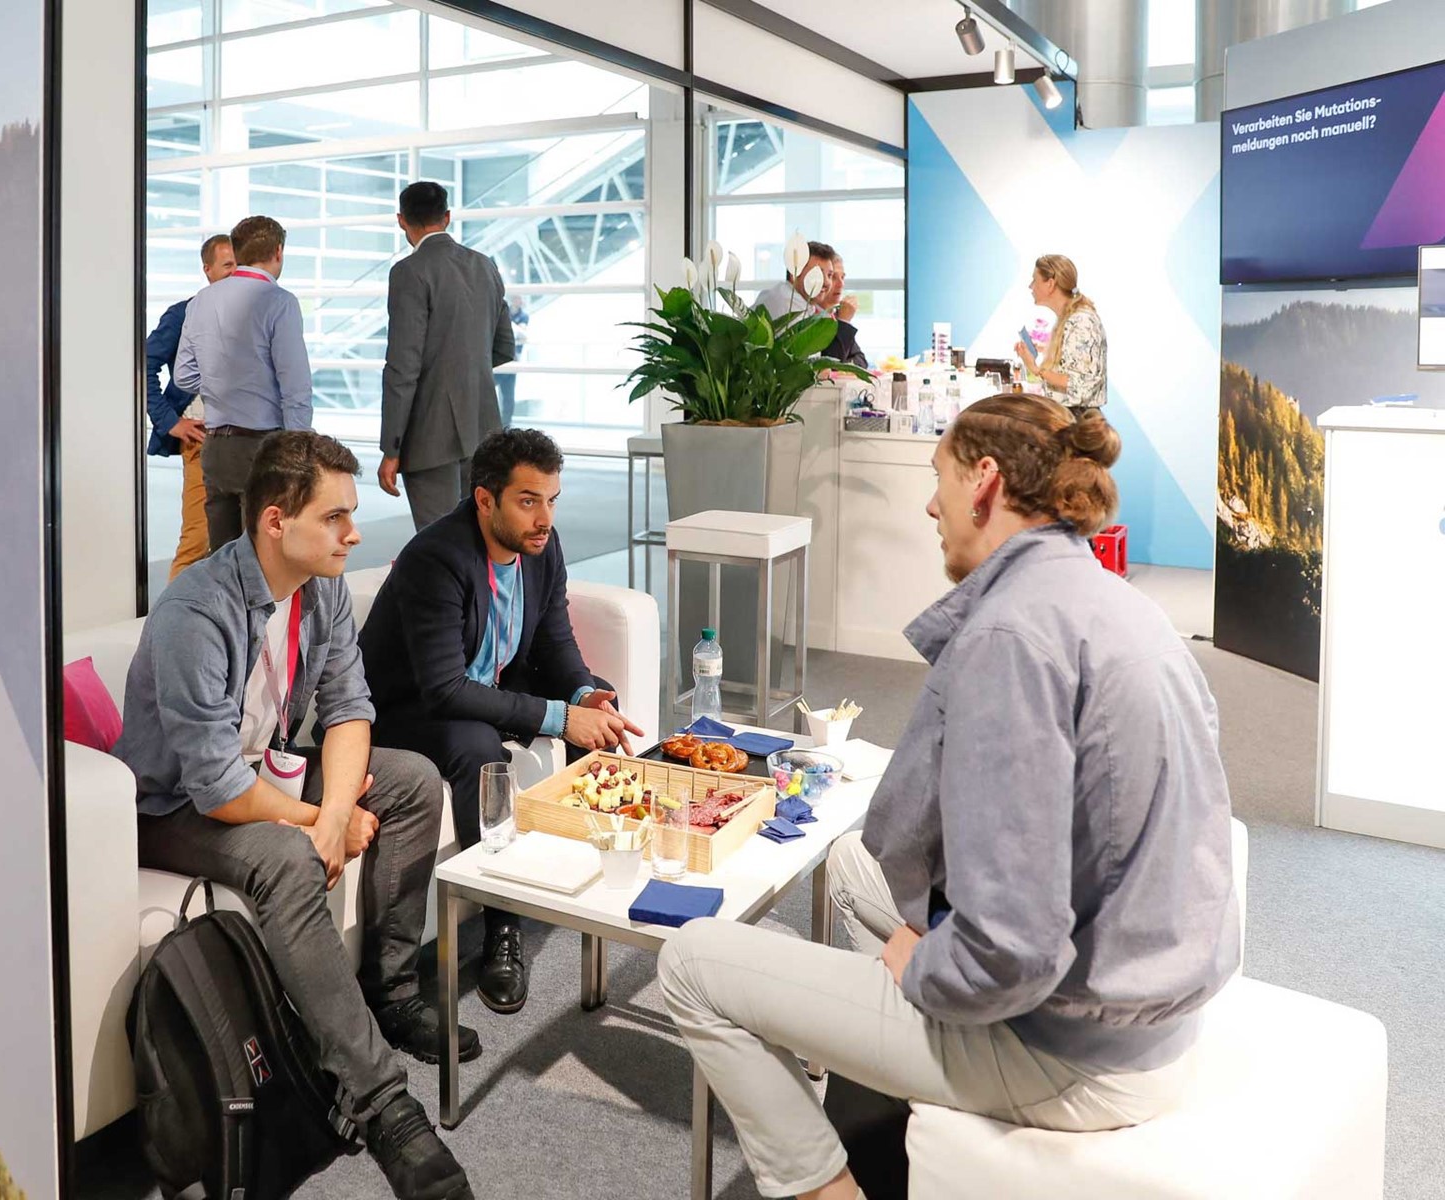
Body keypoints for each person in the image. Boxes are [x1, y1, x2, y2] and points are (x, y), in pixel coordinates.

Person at [658, 394, 1239, 1200]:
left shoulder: (1011, 639)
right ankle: (873, 1081)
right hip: (1146, 1006)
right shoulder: (1118, 603)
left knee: (690, 960)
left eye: (940, 480)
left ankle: (829, 1189)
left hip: (1069, 1052)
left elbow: (1015, 948)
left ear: (984, 481)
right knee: (852, 864)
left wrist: (925, 967)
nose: (931, 507)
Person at [112, 431, 477, 1200]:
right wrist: (318, 821)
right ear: (276, 522)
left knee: (412, 781)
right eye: (335, 517)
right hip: (172, 807)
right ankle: (384, 1107)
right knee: (287, 858)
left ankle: (390, 994)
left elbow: (350, 708)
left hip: (263, 774)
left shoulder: (322, 589)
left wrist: (334, 812)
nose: (354, 533)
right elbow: (215, 787)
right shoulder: (195, 612)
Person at [359, 428, 642, 1014]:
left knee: (597, 701)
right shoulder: (436, 558)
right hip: (407, 708)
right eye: (528, 501)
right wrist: (558, 718)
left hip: (485, 686)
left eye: (552, 500)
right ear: (485, 500)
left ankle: (588, 876)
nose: (545, 519)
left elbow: (553, 641)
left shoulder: (542, 547)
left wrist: (583, 695)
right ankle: (501, 927)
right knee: (479, 746)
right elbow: (443, 689)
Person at [378, 181, 515, 531]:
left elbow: (403, 367)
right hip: (484, 429)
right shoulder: (484, 266)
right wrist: (464, 369)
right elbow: (503, 346)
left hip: (430, 436)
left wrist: (391, 448)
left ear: (401, 220)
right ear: (447, 217)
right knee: (480, 537)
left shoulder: (409, 272)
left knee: (438, 542)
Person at [175, 215, 314, 553]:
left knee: (223, 556)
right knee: (267, 556)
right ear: (278, 251)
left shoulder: (200, 301)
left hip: (216, 448)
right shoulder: (279, 301)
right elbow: (295, 386)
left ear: (237, 252)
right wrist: (299, 451)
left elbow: (183, 376)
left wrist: (222, 382)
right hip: (263, 447)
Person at [145, 233, 235, 580]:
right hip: (202, 438)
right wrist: (170, 421)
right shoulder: (183, 314)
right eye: (227, 265)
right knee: (197, 540)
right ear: (207, 270)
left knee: (244, 540)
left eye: (239, 265)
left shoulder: (253, 314)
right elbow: (144, 365)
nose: (235, 272)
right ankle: (174, 612)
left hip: (247, 439)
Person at [1015, 254, 1107, 417]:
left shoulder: (1081, 322)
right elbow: (1075, 362)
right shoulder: (1068, 319)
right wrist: (1045, 350)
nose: (1031, 286)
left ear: (1050, 284)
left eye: (1035, 280)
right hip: (1068, 416)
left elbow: (1082, 385)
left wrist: (1036, 369)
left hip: (1077, 422)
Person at [753, 240, 867, 368]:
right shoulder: (786, 303)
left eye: (829, 275)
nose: (826, 282)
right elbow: (816, 369)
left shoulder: (804, 304)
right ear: (794, 274)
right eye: (818, 274)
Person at [494, 295, 528, 427]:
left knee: (508, 393)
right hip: (502, 358)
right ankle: (500, 423)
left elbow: (523, 334)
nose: (518, 301)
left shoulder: (522, 316)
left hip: (512, 360)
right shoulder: (504, 312)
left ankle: (506, 424)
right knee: (494, 389)